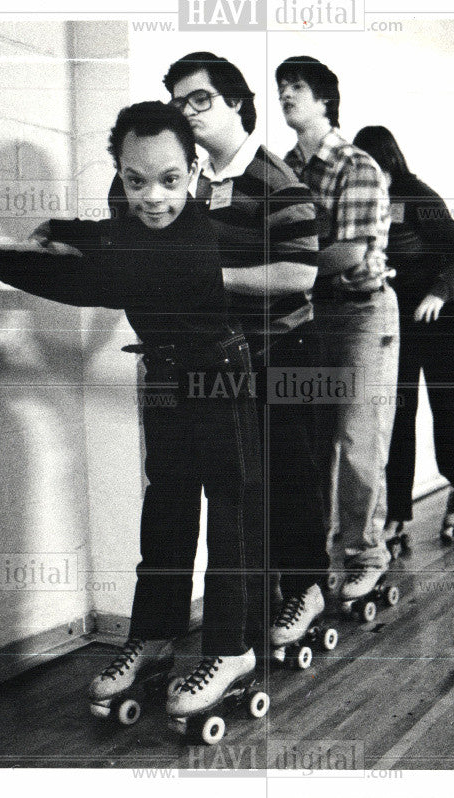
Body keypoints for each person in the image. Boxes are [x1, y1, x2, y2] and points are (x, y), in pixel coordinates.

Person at [0, 101, 263, 720]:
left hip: (220, 378)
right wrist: (66, 227)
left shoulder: (191, 239)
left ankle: (231, 650)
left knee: (230, 514)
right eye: (135, 181)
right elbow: (113, 234)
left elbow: (96, 280)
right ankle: (155, 638)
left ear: (193, 172)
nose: (154, 198)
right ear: (119, 175)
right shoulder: (133, 223)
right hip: (165, 375)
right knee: (165, 512)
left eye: (170, 180)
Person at [160, 52, 328, 651]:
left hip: (289, 348)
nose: (188, 111)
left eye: (199, 98)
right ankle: (266, 597)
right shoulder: (198, 185)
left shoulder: (280, 182)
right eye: (179, 102)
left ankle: (309, 587)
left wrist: (215, 281)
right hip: (230, 357)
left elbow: (299, 275)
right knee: (246, 485)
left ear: (236, 101)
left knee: (291, 473)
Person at [277, 56, 400, 597]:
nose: (285, 96)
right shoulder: (284, 169)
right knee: (308, 443)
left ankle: (365, 553)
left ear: (325, 100)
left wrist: (277, 271)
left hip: (358, 315)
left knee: (357, 440)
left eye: (297, 88)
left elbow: (349, 254)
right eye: (281, 88)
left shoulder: (359, 166)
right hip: (307, 315)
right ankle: (314, 560)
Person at [352, 125, 454, 545]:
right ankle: (398, 512)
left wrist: (438, 293)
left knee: (446, 404)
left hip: (440, 313)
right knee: (398, 413)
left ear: (387, 162)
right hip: (398, 317)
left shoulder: (416, 195)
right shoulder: (367, 202)